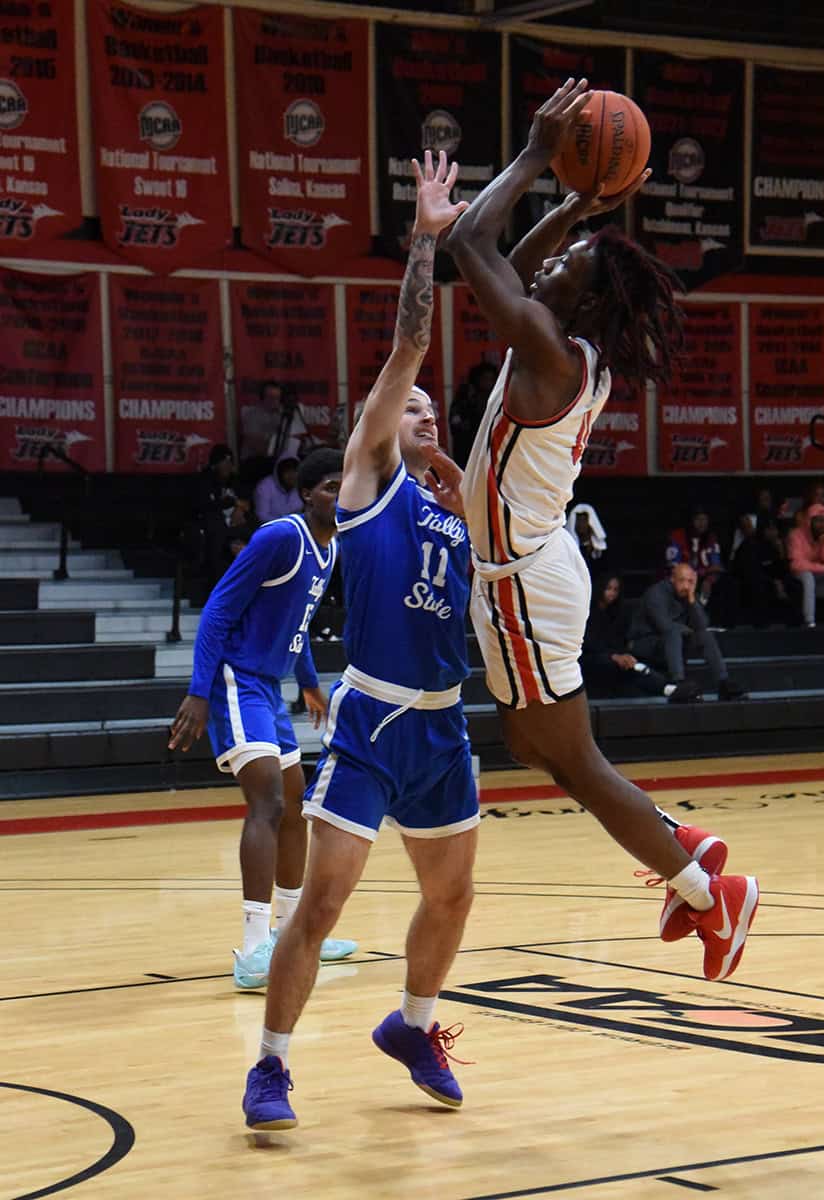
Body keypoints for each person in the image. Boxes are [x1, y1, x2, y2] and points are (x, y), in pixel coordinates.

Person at [444, 78, 758, 983]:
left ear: (578, 305)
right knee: (530, 744)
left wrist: (541, 154)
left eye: (568, 264)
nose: (546, 266)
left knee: (570, 758)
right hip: (523, 574)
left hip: (525, 582)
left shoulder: (546, 351)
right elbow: (513, 260)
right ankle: (680, 841)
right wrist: (580, 203)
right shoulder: (561, 343)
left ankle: (706, 890)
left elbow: (474, 243)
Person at [241, 150, 476, 1132]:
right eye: (409, 407)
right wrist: (425, 239)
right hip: (374, 719)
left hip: (445, 726)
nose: (422, 410)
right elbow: (408, 352)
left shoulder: (453, 507)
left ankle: (414, 1025)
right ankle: (271, 1067)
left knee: (452, 899)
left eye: (429, 410)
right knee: (326, 902)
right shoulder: (370, 476)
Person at [169, 448, 357, 989]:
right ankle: (253, 949)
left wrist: (309, 681)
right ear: (306, 493)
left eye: (345, 489)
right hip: (236, 679)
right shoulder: (281, 538)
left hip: (271, 688)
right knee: (269, 803)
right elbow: (219, 610)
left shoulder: (330, 549)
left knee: (297, 806)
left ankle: (297, 933)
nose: (338, 497)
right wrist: (199, 692)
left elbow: (295, 622)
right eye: (328, 488)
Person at [629, 564, 748, 699]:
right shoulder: (656, 593)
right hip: (646, 641)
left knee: (705, 635)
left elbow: (702, 625)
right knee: (673, 631)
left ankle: (724, 683)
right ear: (672, 579)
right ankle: (678, 683)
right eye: (682, 580)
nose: (686, 586)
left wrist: (692, 600)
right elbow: (664, 625)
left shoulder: (688, 594)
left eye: (690, 581)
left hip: (673, 642)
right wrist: (690, 631)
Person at [581, 573, 700, 701]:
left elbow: (619, 641)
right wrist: (613, 656)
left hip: (615, 656)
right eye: (608, 589)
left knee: (638, 667)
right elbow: (589, 643)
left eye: (615, 590)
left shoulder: (617, 613)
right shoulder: (587, 613)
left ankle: (670, 689)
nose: (612, 593)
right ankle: (670, 689)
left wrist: (622, 655)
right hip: (592, 658)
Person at [195, 444, 253, 588]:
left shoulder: (235, 480)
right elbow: (205, 505)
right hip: (213, 527)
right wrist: (233, 502)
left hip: (236, 526)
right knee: (218, 536)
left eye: (229, 462)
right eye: (224, 462)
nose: (227, 466)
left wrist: (239, 509)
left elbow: (246, 502)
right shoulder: (205, 480)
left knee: (255, 533)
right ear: (215, 464)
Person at [731, 515, 802, 627]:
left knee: (796, 585)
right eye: (770, 529)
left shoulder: (776, 545)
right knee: (761, 586)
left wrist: (781, 553)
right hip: (752, 580)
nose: (774, 532)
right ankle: (762, 625)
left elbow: (783, 570)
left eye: (775, 529)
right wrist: (774, 582)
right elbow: (751, 570)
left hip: (774, 579)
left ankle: (794, 624)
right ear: (763, 530)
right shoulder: (751, 544)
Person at [449, 361, 499, 467]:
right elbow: (455, 424)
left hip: (491, 454)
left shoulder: (497, 399)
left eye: (491, 379)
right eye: (485, 379)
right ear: (477, 379)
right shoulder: (464, 398)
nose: (488, 382)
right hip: (467, 452)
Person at [253, 453, 303, 524]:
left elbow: (299, 511)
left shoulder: (299, 487)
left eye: (295, 471)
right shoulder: (264, 487)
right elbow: (262, 516)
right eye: (287, 471)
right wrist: (284, 524)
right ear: (279, 472)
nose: (292, 475)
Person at [566, 502, 608, 571]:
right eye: (579, 520)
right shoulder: (569, 547)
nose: (581, 524)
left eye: (584, 520)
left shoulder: (599, 549)